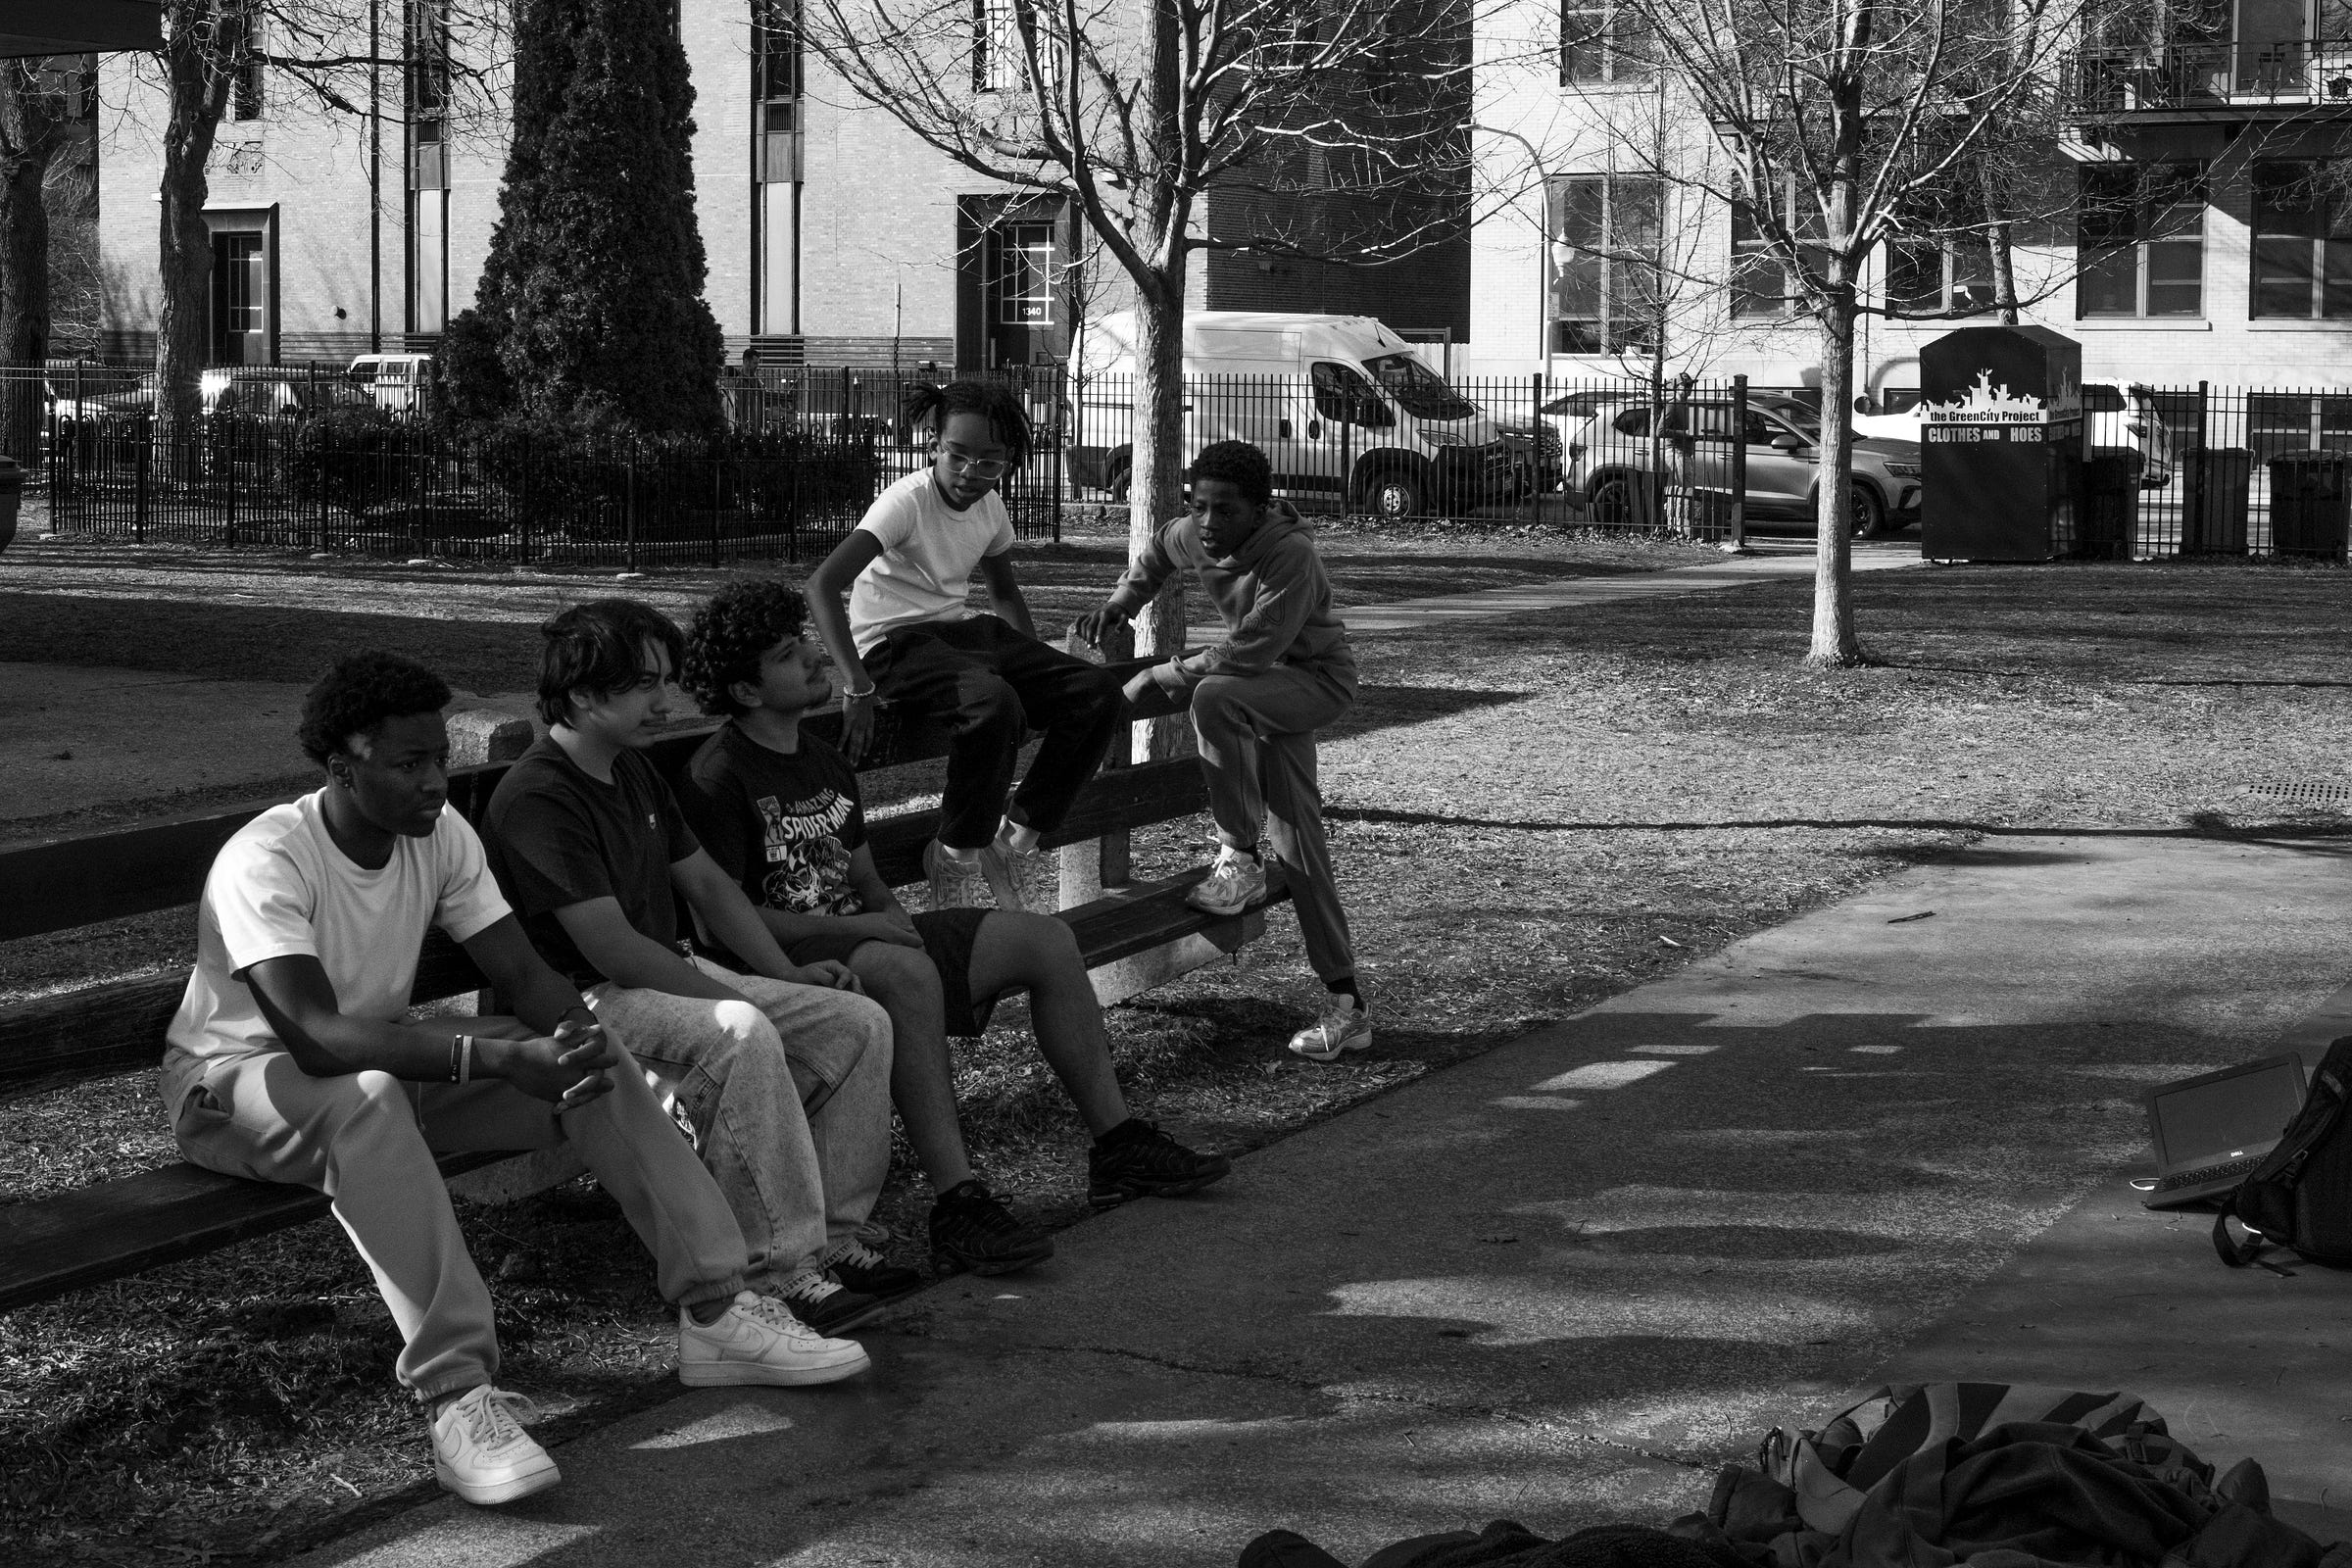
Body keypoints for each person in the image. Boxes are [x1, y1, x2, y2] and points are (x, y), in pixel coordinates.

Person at [161, 653, 870, 1511]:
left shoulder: (441, 836)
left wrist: (570, 1038)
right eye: (409, 764)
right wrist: (495, 1058)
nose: (435, 784)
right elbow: (314, 1037)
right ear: (341, 765)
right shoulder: (268, 858)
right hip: (233, 1087)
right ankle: (457, 1398)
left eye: (439, 761)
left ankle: (718, 1310)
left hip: (379, 1063)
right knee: (372, 1097)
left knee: (588, 1052)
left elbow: (528, 978)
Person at [673, 579, 1233, 1271]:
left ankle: (1118, 1148)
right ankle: (958, 1205)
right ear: (747, 692)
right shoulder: (718, 775)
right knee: (906, 971)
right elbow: (721, 922)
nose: (818, 658)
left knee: (1046, 942)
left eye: (806, 643)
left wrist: (888, 919)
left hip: (866, 941)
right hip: (784, 969)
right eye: (792, 654)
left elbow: (866, 878)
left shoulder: (822, 761)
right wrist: (869, 934)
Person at [479, 600, 905, 1340]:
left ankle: (832, 1241)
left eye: (666, 681)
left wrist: (787, 977)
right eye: (645, 685)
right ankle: (775, 1272)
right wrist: (741, 1000)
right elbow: (611, 950)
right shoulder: (541, 794)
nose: (664, 702)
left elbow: (707, 884)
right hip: (584, 1004)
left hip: (660, 976)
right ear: (583, 693)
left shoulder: (633, 772)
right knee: (739, 1032)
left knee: (854, 1022)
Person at [1073, 440, 1370, 1062]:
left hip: (1312, 682)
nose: (1209, 523)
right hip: (1261, 690)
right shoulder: (1193, 533)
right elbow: (1157, 551)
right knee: (1298, 842)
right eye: (1200, 506)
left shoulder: (1291, 556)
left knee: (1212, 697)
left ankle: (1238, 855)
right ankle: (1348, 1001)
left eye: (1226, 510)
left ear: (1260, 510)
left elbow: (1251, 651)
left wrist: (1159, 677)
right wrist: (1123, 601)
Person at [804, 379, 1125, 913]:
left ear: (1010, 461)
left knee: (1096, 691)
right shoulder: (905, 502)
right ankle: (954, 853)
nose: (970, 472)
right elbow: (821, 585)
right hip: (892, 642)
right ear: (935, 445)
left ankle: (1015, 842)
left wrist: (1036, 670)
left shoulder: (990, 508)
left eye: (990, 461)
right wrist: (856, 684)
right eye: (957, 455)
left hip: (958, 632)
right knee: (992, 703)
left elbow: (1002, 591)